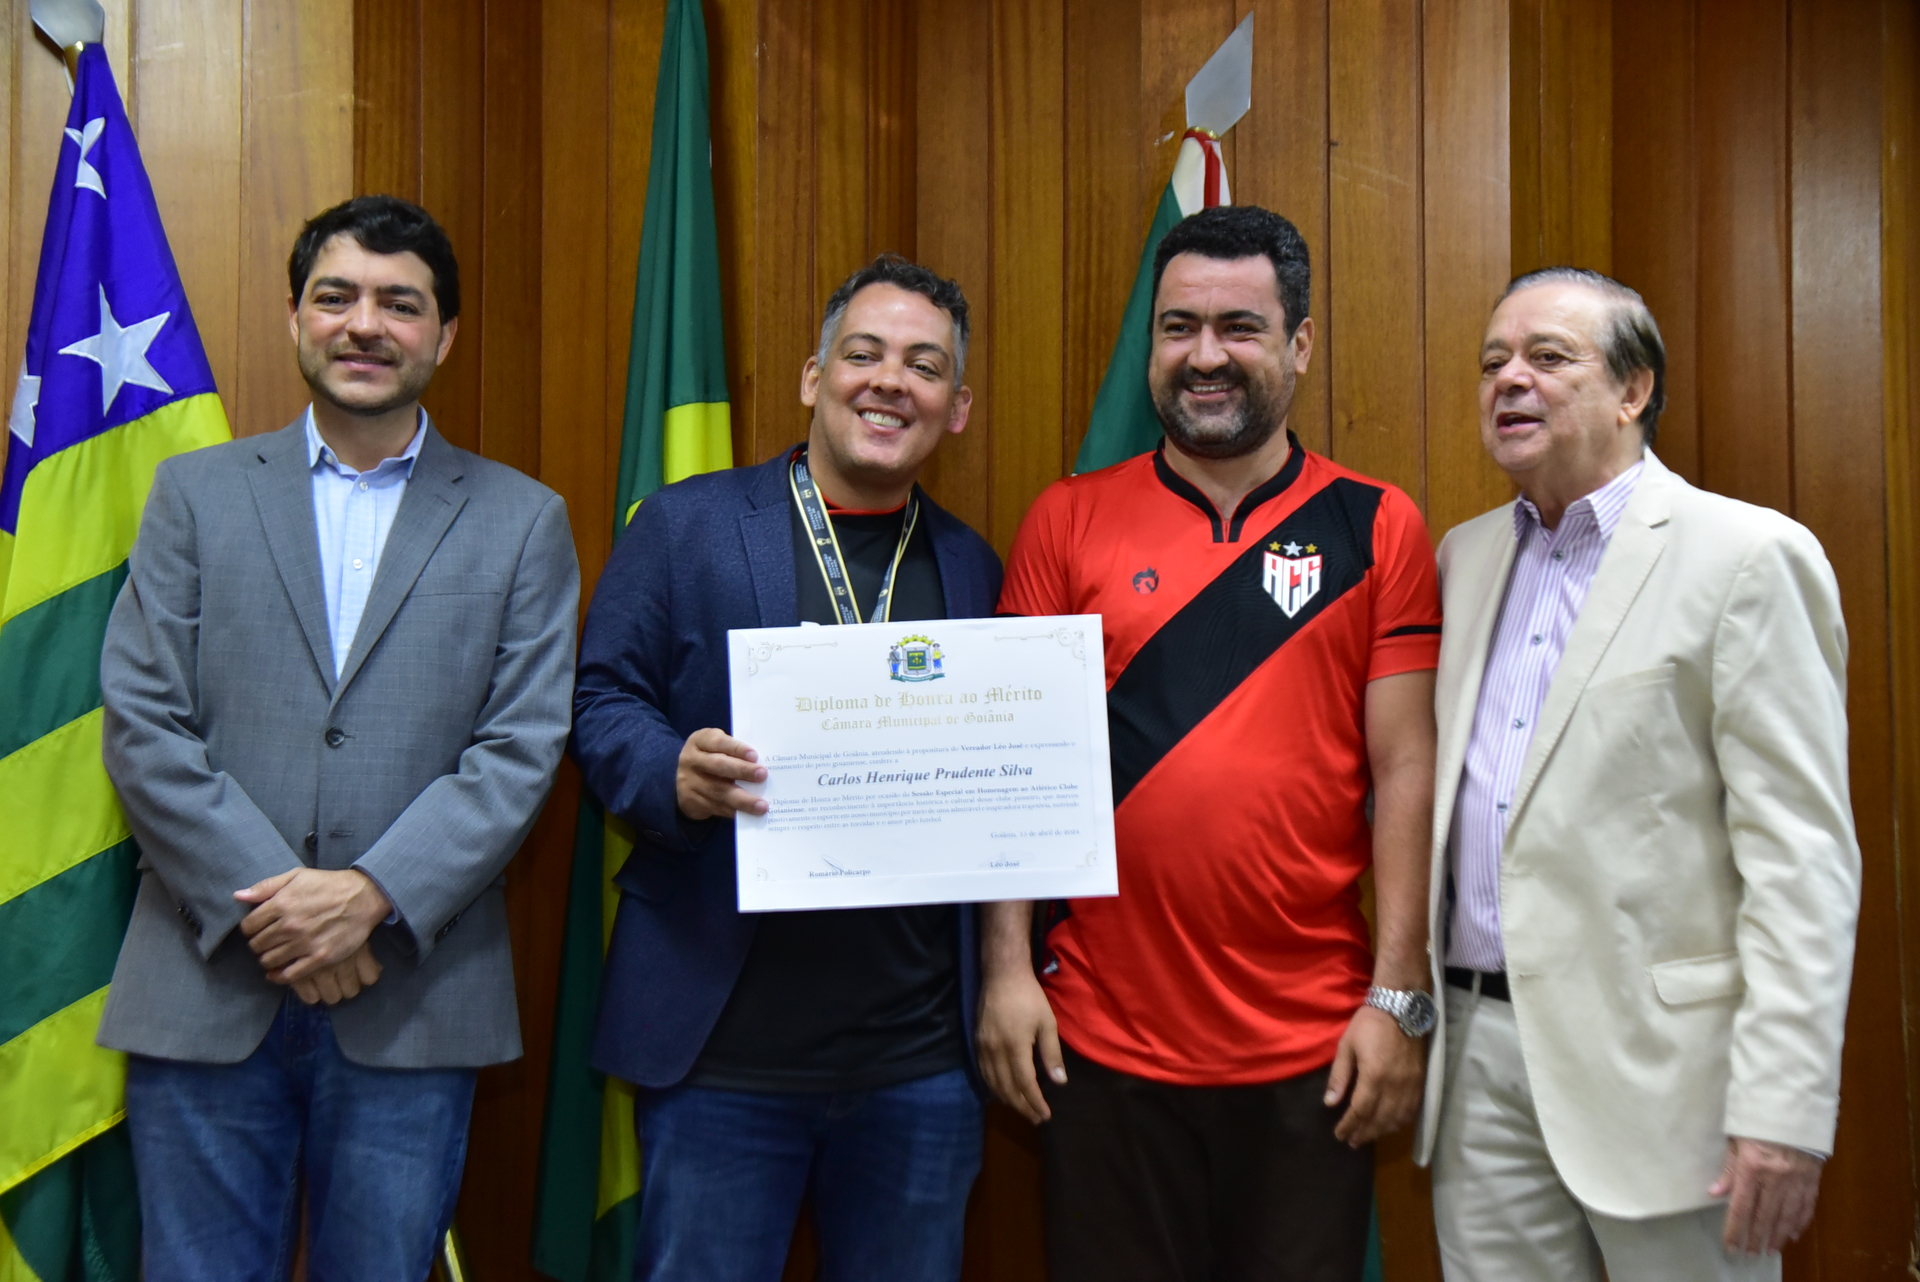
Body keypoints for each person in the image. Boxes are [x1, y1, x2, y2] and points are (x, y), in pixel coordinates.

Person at [96, 194, 579, 1278]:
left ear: (444, 337)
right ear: (295, 318)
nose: (365, 324)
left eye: (400, 303)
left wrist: (369, 896)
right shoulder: (194, 495)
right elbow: (144, 721)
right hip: (206, 983)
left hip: (412, 994)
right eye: (337, 297)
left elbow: (520, 747)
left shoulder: (522, 520)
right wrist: (285, 912)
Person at [983, 204, 1442, 1281]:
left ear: (1300, 343)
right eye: (1179, 326)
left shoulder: (1376, 524)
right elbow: (1016, 760)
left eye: (1239, 327)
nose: (1205, 356)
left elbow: (1406, 769)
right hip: (1096, 1043)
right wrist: (1004, 971)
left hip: (1313, 1049)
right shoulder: (1065, 520)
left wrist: (1398, 1000)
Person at [1421, 267, 1860, 1280]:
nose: (1510, 380)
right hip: (1478, 1062)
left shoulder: (1748, 555)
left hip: (1672, 1083)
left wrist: (1785, 1107)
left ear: (1634, 389)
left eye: (1548, 357)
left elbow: (1802, 862)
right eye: (1493, 362)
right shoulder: (1463, 559)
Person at [571, 254, 1002, 1282]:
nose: (889, 381)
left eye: (924, 366)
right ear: (815, 376)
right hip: (721, 1055)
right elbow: (599, 701)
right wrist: (669, 771)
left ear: (956, 409)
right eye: (864, 354)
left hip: (918, 1063)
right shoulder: (684, 524)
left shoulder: (975, 566)